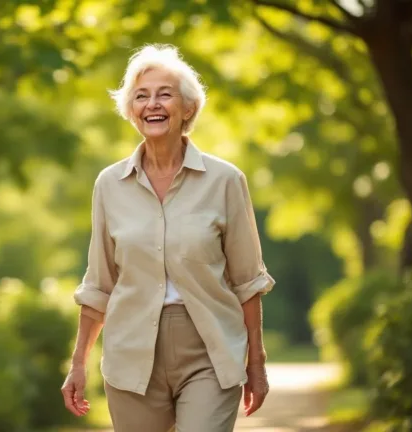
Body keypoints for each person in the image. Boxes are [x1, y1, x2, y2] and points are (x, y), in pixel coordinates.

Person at [60, 44, 275, 432]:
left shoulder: (225, 181)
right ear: (131, 110)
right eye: (141, 96)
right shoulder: (110, 185)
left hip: (209, 349)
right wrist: (77, 365)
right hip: (131, 352)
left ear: (188, 107)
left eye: (165, 94)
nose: (152, 104)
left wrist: (256, 364)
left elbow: (248, 282)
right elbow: (99, 284)